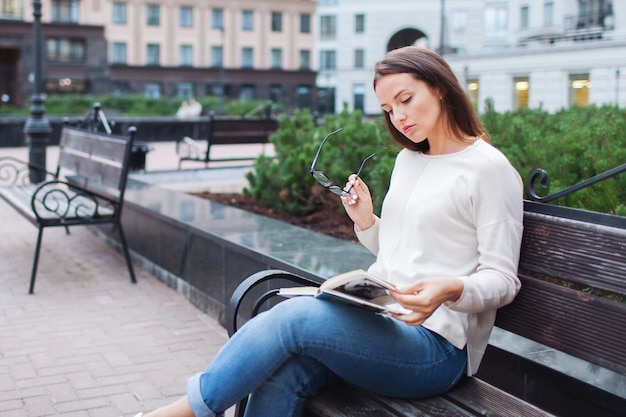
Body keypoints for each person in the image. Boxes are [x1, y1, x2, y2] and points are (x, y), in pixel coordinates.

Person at [136, 46, 523, 417]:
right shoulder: (409, 159)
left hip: (436, 346)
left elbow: (502, 280)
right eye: (388, 109)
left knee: (295, 319)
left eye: (406, 99)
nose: (399, 117)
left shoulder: (488, 170)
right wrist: (367, 222)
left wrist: (452, 289)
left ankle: (187, 411)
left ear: (439, 86)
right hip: (383, 317)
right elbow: (404, 250)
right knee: (284, 371)